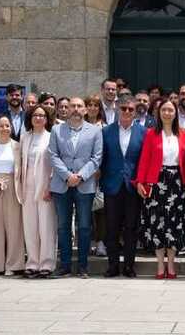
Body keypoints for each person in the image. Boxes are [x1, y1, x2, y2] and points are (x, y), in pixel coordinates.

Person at [135, 99, 185, 279]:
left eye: (170, 110)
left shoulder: (184, 134)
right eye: (164, 110)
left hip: (177, 183)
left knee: (175, 224)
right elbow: (144, 159)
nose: (167, 113)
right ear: (159, 113)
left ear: (175, 113)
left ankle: (171, 264)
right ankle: (160, 266)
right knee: (157, 223)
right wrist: (140, 181)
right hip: (156, 182)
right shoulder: (151, 134)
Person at [48, 97, 103, 279]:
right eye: (73, 106)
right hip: (61, 184)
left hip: (84, 184)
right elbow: (53, 155)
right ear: (67, 109)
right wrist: (67, 176)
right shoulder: (56, 130)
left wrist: (79, 176)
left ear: (85, 110)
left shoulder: (95, 131)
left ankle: (83, 266)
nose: (76, 109)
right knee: (63, 226)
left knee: (85, 226)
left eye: (80, 106)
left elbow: (96, 158)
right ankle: (64, 266)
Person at [100, 96, 145, 278]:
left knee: (131, 228)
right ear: (117, 109)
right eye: (124, 108)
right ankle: (112, 266)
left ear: (135, 112)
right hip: (112, 186)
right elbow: (101, 159)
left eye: (130, 109)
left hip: (133, 187)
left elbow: (144, 160)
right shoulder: (106, 131)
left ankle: (128, 266)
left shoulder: (144, 132)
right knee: (112, 228)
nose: (127, 112)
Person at [0, 114, 25, 276]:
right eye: (1, 125)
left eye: (7, 125)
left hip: (12, 186)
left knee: (14, 226)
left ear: (11, 128)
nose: (4, 128)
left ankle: (13, 265)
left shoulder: (17, 146)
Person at [19, 105, 57, 278]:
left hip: (45, 185)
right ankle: (32, 263)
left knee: (46, 226)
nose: (38, 118)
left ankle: (47, 264)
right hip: (27, 185)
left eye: (42, 115)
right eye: (35, 115)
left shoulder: (51, 137)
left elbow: (55, 165)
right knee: (30, 226)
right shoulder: (25, 137)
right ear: (30, 118)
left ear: (47, 119)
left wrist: (50, 186)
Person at [85, 94, 108, 257]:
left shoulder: (105, 127)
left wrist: (100, 169)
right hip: (83, 174)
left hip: (100, 174)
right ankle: (88, 242)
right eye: (90, 105)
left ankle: (100, 242)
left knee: (101, 210)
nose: (92, 108)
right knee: (85, 210)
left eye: (96, 105)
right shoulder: (79, 125)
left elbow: (107, 151)